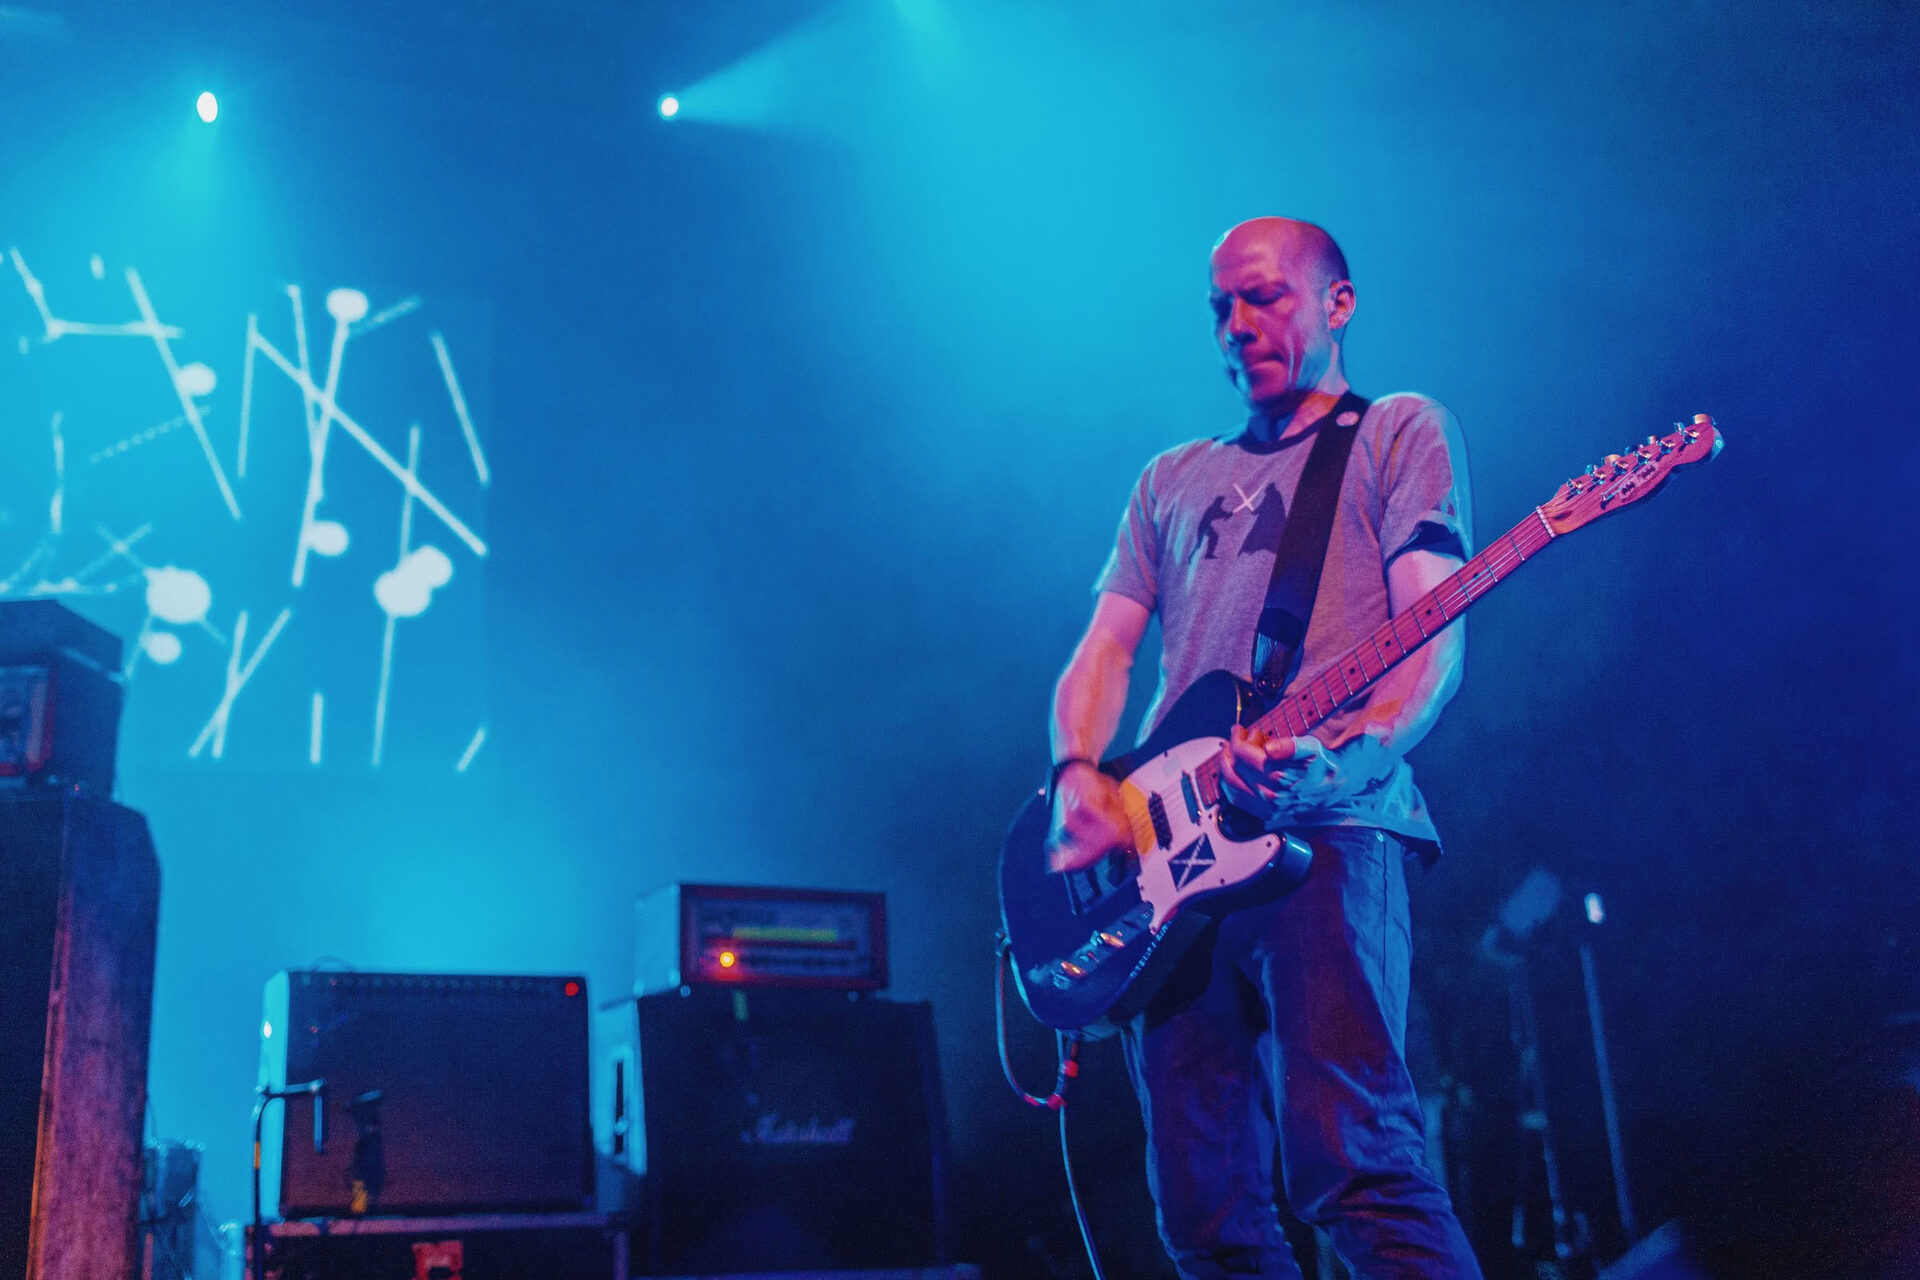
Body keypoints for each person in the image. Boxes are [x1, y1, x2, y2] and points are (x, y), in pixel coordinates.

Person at [1045, 217, 1484, 1280]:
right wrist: (1078, 775)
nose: (1238, 326)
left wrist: (1354, 754)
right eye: (1221, 308)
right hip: (1176, 866)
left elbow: (1434, 640)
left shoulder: (1396, 431)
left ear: (1337, 302)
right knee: (1201, 1204)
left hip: (1331, 826)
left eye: (1265, 297)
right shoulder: (1171, 477)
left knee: (1354, 1163)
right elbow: (1104, 648)